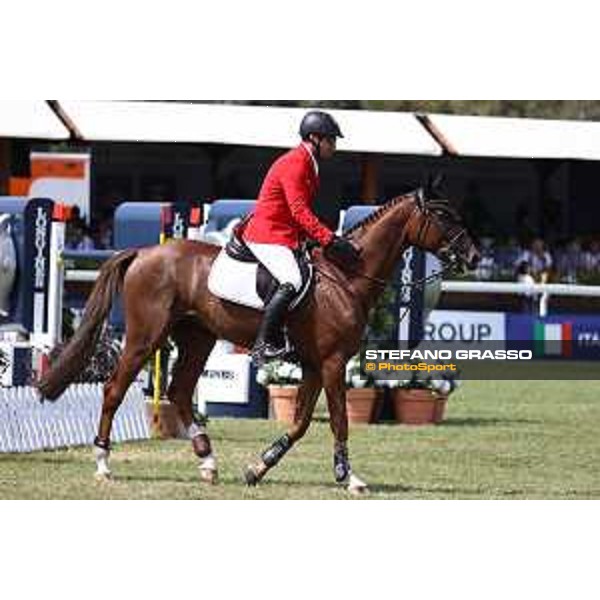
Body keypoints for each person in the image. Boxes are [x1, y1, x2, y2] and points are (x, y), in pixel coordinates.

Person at [241, 110, 361, 363]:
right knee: (292, 279)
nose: (334, 147)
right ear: (314, 138)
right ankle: (264, 343)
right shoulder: (296, 163)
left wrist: (318, 238)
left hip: (285, 233)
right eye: (331, 140)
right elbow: (298, 210)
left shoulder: (309, 163)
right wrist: (330, 239)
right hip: (267, 233)